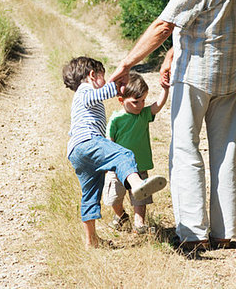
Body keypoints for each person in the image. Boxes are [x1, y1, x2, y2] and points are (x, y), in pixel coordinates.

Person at [109, 0, 236, 251]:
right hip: (231, 71)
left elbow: (163, 24)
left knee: (184, 149)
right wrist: (172, 52)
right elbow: (210, 17)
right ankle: (223, 232)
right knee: (228, 149)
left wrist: (126, 63)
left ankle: (192, 235)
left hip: (198, 74)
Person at [63, 56, 167, 248]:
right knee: (124, 154)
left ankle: (91, 240)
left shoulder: (81, 96)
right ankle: (137, 184)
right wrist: (116, 87)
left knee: (90, 194)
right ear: (93, 75)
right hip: (88, 141)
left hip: (77, 151)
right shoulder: (84, 90)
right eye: (103, 76)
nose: (105, 80)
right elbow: (97, 94)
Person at [102, 72, 169, 234]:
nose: (140, 105)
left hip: (139, 165)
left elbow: (157, 106)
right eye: (135, 102)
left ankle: (139, 223)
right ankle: (122, 215)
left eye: (143, 101)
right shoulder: (116, 119)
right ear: (121, 100)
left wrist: (165, 89)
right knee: (114, 198)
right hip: (117, 168)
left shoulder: (144, 114)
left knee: (140, 195)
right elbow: (109, 141)